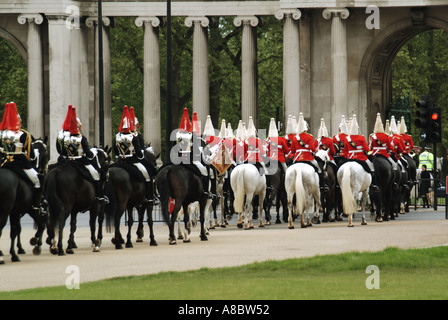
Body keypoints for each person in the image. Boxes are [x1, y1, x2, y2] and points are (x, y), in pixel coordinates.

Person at [0, 102, 45, 217]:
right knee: (38, 181)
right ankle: (36, 206)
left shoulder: (2, 133)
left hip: (4, 163)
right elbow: (30, 154)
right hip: (20, 164)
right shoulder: (24, 134)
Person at [57, 105, 109, 205]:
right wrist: (92, 153)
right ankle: (100, 197)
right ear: (78, 127)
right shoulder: (82, 138)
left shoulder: (66, 139)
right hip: (80, 162)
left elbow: (63, 152)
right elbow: (89, 155)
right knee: (96, 175)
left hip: (68, 162)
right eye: (80, 125)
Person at [114, 105, 156, 204]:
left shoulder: (117, 136)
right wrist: (141, 157)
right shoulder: (133, 136)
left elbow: (116, 152)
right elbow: (139, 153)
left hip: (120, 161)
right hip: (133, 161)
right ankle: (150, 197)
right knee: (147, 176)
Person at [290, 112, 328, 191]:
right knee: (319, 169)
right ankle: (322, 185)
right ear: (305, 128)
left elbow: (293, 150)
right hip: (308, 157)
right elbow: (312, 148)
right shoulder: (309, 136)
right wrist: (315, 150)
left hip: (297, 158)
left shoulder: (294, 137)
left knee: (288, 169)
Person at [345, 114, 379, 191]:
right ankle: (373, 184)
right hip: (361, 157)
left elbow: (346, 151)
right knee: (371, 167)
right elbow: (366, 149)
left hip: (350, 158)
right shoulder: (361, 137)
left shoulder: (347, 138)